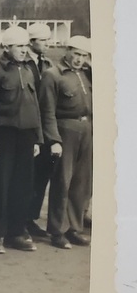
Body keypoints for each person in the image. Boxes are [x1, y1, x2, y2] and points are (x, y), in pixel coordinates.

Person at [0, 27, 43, 254]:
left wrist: (37, 138)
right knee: (0, 187)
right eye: (19, 47)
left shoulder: (28, 70)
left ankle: (16, 232)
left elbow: (35, 106)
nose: (24, 51)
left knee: (23, 187)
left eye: (26, 46)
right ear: (6, 48)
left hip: (26, 136)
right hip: (3, 136)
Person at [40, 36, 93, 250]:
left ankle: (74, 228)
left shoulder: (86, 74)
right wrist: (54, 139)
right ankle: (57, 230)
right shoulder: (52, 75)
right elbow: (47, 111)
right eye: (76, 54)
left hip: (86, 129)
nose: (79, 59)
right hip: (65, 131)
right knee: (63, 181)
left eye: (84, 55)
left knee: (82, 182)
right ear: (67, 50)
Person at [23, 23, 56, 238]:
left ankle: (31, 217)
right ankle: (20, 219)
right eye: (42, 40)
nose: (46, 44)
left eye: (47, 40)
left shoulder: (48, 64)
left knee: (42, 174)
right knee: (26, 175)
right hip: (29, 125)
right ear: (31, 42)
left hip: (46, 126)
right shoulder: (23, 63)